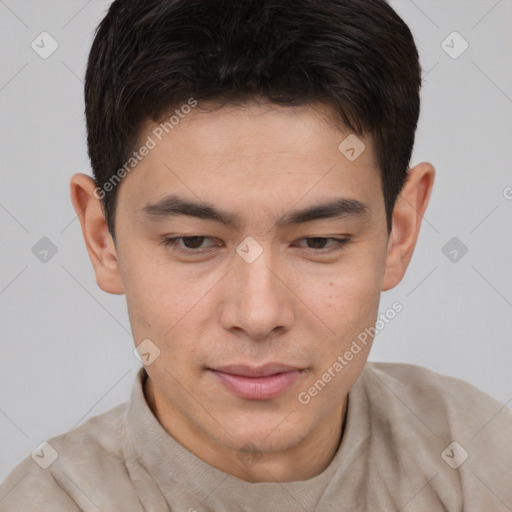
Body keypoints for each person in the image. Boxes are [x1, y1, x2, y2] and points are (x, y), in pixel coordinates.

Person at [1, 0, 510, 510]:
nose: (258, 314)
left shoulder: (483, 459)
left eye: (319, 241)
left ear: (399, 233)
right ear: (101, 238)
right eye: (193, 241)